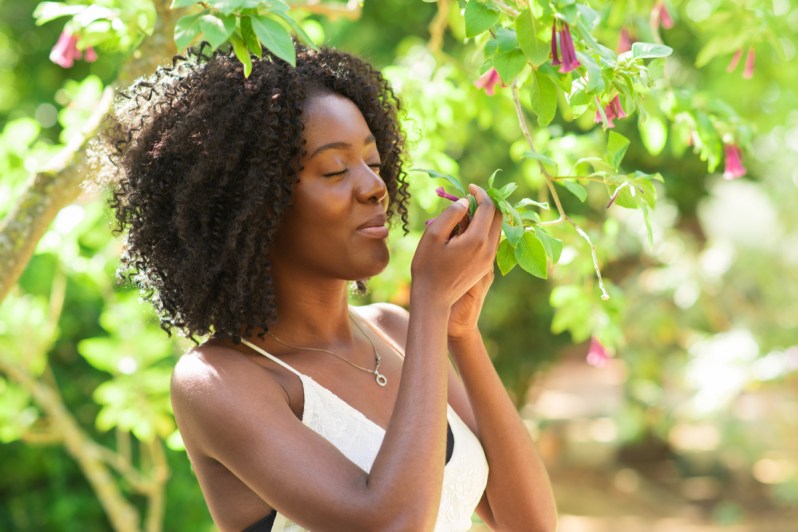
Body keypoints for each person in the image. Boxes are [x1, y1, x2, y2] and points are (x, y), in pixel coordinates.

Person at [105, 42, 557, 531]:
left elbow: (530, 524)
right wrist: (430, 303)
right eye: (336, 170)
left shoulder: (397, 332)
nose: (375, 188)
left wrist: (461, 333)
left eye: (374, 164)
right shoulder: (218, 381)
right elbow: (393, 525)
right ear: (255, 208)